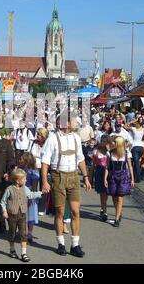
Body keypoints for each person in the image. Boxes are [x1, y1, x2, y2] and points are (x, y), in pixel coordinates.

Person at [41, 110, 91, 258]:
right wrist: (44, 181)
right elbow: (45, 162)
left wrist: (86, 178)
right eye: (74, 121)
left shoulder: (76, 138)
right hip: (58, 177)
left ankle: (75, 244)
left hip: (74, 176)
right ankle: (61, 243)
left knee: (76, 211)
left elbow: (80, 159)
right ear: (66, 123)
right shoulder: (52, 139)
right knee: (60, 212)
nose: (76, 123)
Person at [0, 168, 43, 262]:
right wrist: (4, 211)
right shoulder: (9, 189)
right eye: (24, 179)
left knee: (23, 234)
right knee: (12, 233)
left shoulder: (25, 188)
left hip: (22, 215)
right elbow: (3, 202)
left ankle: (24, 253)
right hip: (12, 215)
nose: (26, 180)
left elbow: (31, 195)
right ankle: (12, 250)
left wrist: (41, 193)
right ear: (18, 181)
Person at [105, 136, 135, 227]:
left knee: (120, 197)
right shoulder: (110, 153)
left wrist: (132, 179)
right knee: (114, 196)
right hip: (113, 175)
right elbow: (107, 167)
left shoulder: (126, 153)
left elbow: (130, 166)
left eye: (115, 142)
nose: (113, 143)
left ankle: (116, 218)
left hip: (123, 176)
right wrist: (105, 178)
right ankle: (118, 212)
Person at [17, 153, 40, 244]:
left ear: (26, 162)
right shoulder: (19, 170)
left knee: (29, 215)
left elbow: (34, 187)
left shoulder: (33, 171)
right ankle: (22, 232)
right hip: (19, 193)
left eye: (21, 159)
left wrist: (30, 198)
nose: (19, 160)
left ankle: (29, 234)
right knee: (21, 214)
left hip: (29, 194)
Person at [94, 135, 111, 221]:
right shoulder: (96, 152)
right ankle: (103, 209)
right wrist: (90, 177)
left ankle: (104, 209)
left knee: (106, 192)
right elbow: (93, 164)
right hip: (99, 172)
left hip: (107, 172)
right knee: (102, 192)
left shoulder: (109, 153)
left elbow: (109, 164)